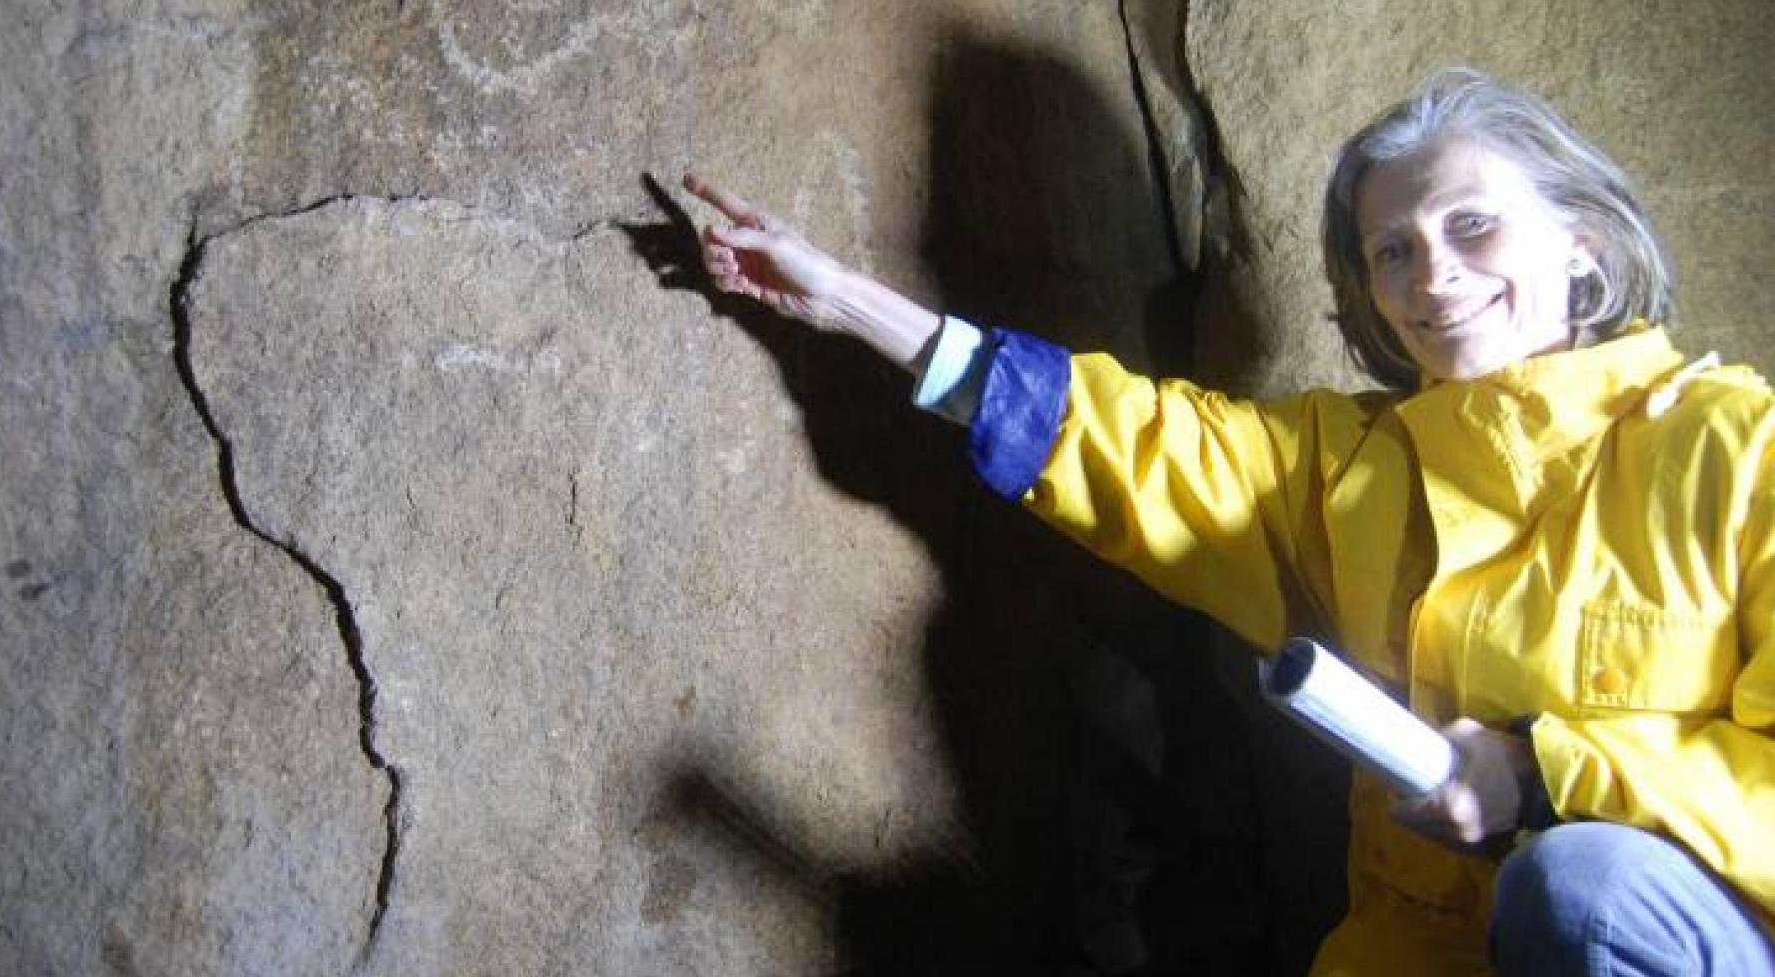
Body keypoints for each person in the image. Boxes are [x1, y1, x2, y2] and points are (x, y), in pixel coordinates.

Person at [682, 69, 1775, 976]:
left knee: (1579, 889)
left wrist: (1544, 774)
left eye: (1473, 225)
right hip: (1416, 957)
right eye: (1390, 250)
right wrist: (851, 304)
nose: (1433, 275)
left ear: (1581, 244)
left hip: (1688, 935)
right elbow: (1130, 443)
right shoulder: (1345, 464)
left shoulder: (1735, 444)